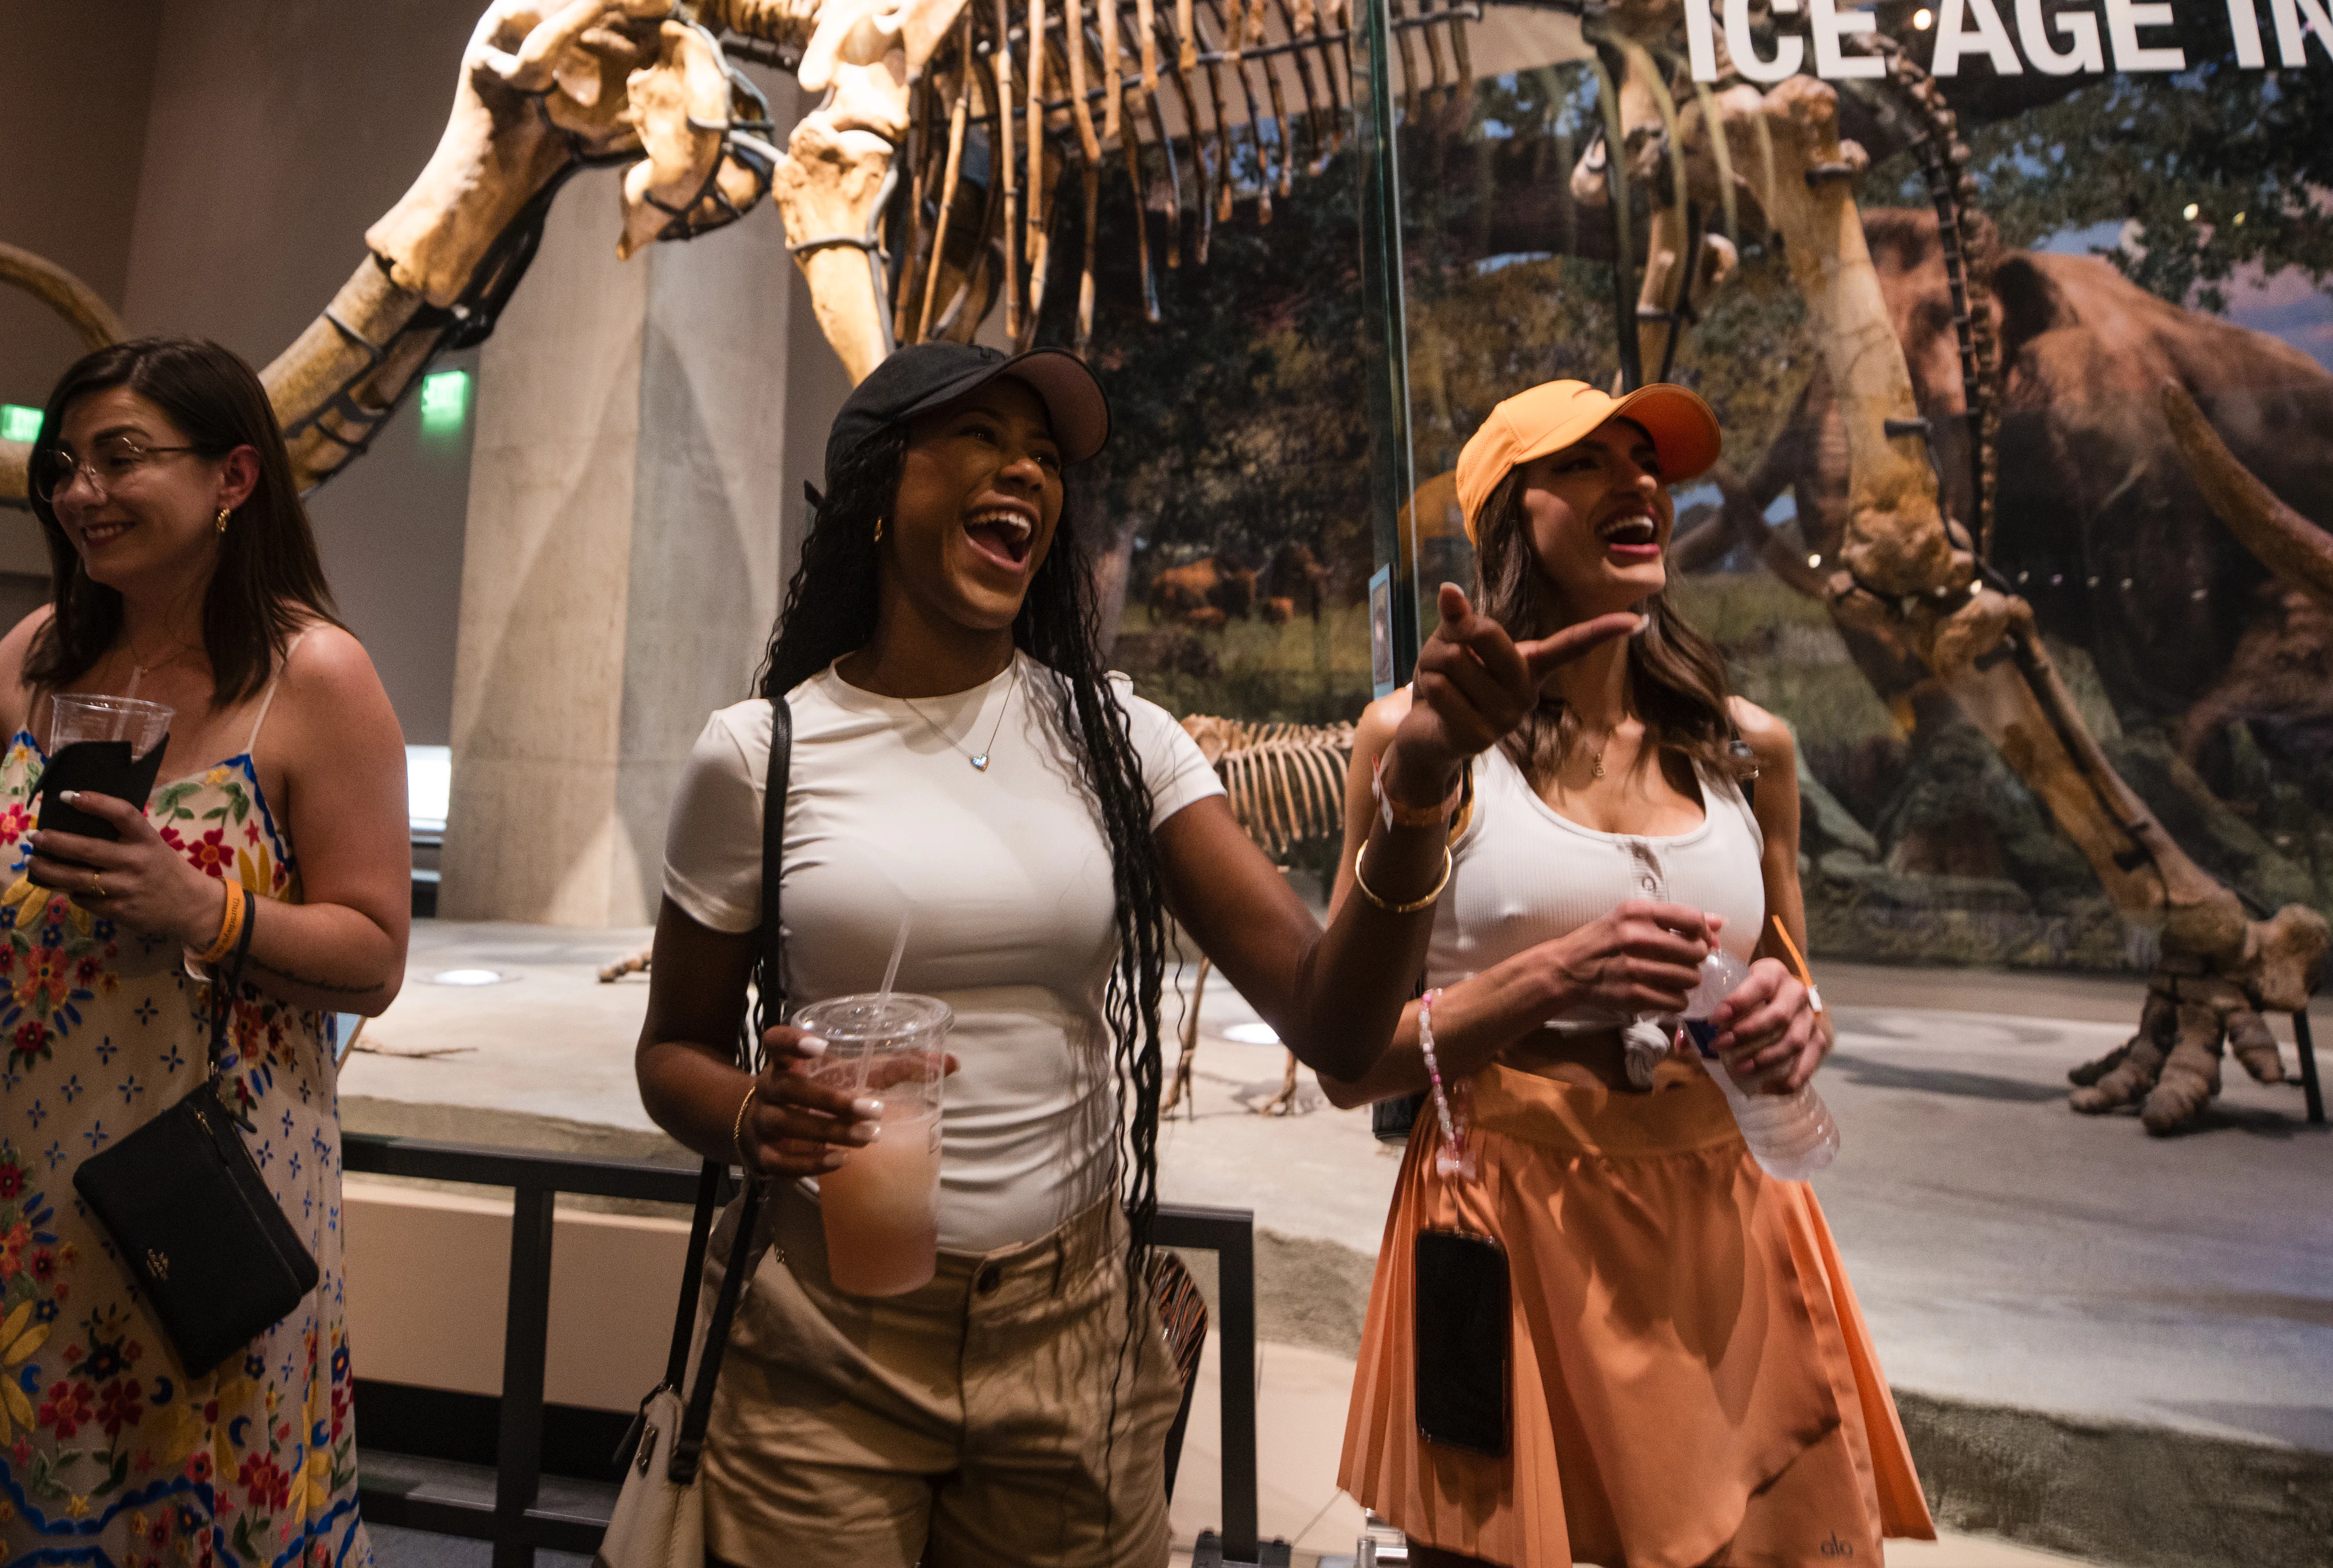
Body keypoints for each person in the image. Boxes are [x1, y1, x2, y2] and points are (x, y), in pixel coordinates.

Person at [637, 343, 1639, 1568]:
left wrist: (1420, 786)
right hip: (822, 1344)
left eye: (1045, 456)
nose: (1026, 470)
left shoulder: (1120, 738)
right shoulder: (760, 751)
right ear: (876, 491)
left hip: (1070, 1340)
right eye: (982, 437)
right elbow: (672, 1052)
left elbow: (1332, 1025)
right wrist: (755, 1114)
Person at [0, 338, 411, 1567]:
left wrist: (205, 911)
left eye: (121, 457)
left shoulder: (315, 676)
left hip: (186, 1205)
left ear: (233, 476)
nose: (80, 491)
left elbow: (374, 955)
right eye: (64, 464)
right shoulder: (37, 657)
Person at [1325, 379, 1933, 1566]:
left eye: (1647, 460)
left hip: (1732, 1220)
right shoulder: (1415, 743)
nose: (1640, 481)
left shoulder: (1747, 746)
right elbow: (1354, 1061)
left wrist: (1799, 1021)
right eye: (1588, 462)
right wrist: (1555, 975)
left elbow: (1792, 979)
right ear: (1511, 514)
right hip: (1510, 1221)